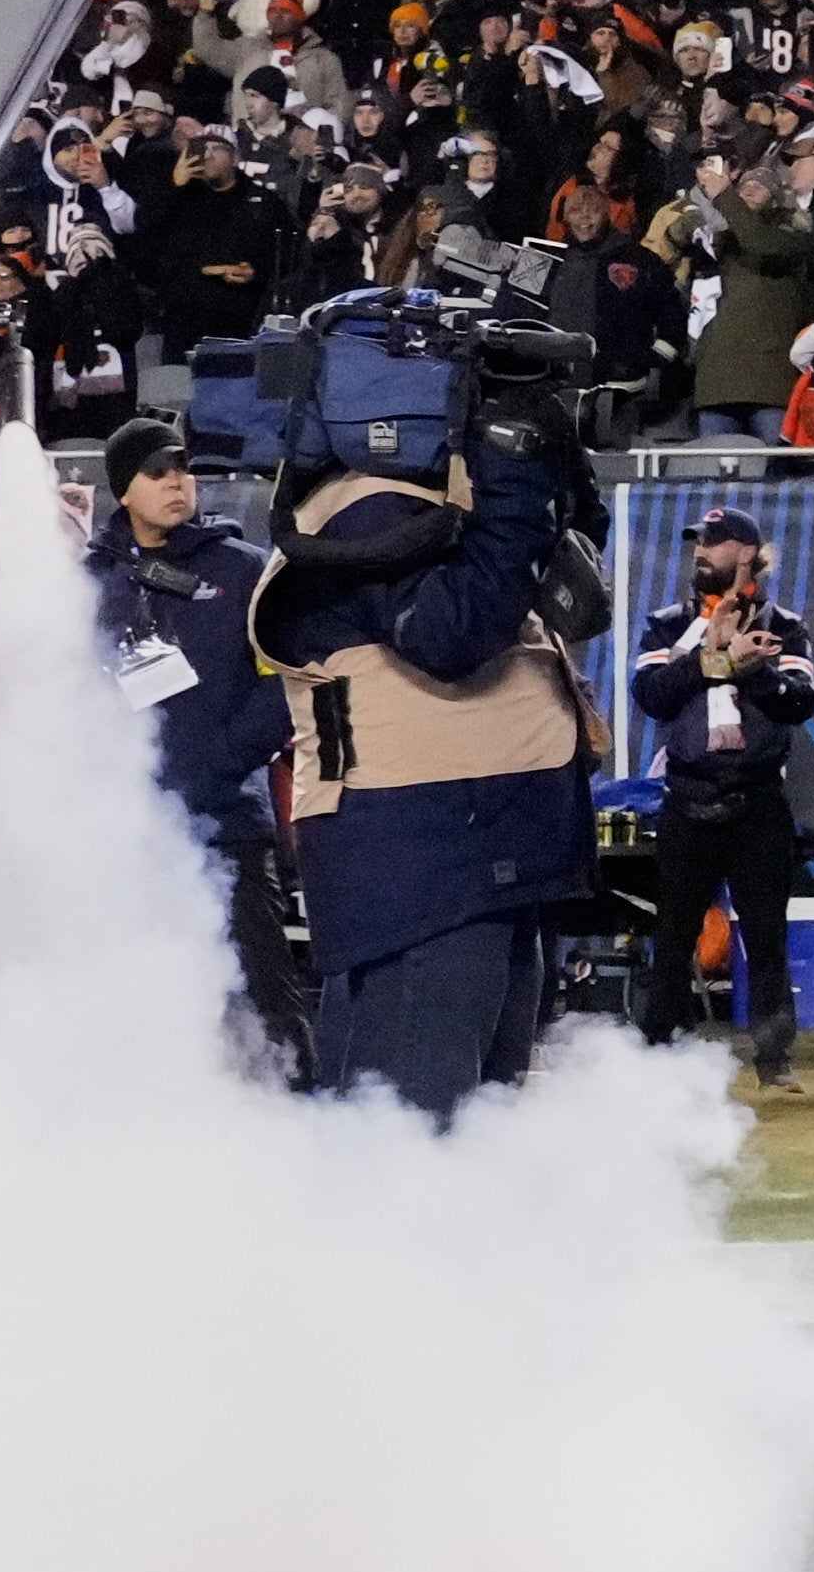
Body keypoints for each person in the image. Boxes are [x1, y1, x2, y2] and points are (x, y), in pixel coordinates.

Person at [248, 381, 594, 1121]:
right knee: (412, 1130)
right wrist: (514, 490)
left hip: (474, 843)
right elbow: (449, 636)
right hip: (427, 859)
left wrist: (544, 473)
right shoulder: (367, 503)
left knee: (475, 1128)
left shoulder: (430, 499)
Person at [86, 419, 310, 1082]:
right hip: (124, 837)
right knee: (130, 1005)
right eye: (157, 470)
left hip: (229, 827)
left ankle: (294, 1125)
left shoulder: (243, 569)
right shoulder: (89, 582)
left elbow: (286, 678)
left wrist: (218, 761)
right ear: (124, 489)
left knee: (265, 1004)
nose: (177, 480)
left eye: (183, 466)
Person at [627, 502, 814, 1086]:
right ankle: (661, 1051)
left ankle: (773, 1057)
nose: (699, 551)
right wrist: (719, 657)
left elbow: (799, 702)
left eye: (713, 542)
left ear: (746, 554)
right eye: (697, 542)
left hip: (757, 797)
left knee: (766, 935)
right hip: (688, 794)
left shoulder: (786, 626)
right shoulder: (666, 624)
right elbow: (652, 696)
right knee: (675, 931)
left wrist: (752, 669)